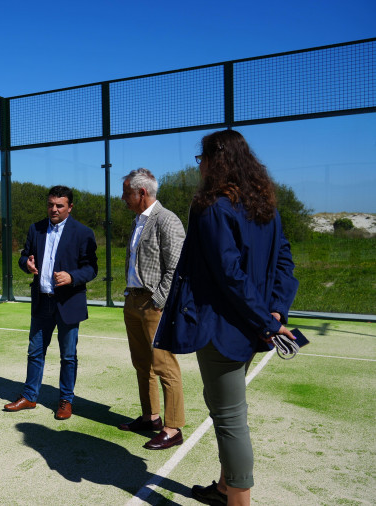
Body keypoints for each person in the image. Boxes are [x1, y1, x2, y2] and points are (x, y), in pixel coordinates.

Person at [154, 130, 298, 506]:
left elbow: (229, 275)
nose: (199, 168)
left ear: (214, 162)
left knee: (230, 419)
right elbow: (284, 262)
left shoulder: (213, 207)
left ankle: (238, 500)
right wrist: (275, 311)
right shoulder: (265, 206)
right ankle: (223, 488)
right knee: (227, 409)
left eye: (201, 160)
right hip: (251, 327)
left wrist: (268, 321)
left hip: (224, 329)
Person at [4, 185, 98, 420]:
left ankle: (66, 401)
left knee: (68, 356)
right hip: (42, 302)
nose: (53, 209)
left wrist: (72, 277)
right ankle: (29, 396)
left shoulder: (83, 233)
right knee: (35, 352)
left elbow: (91, 268)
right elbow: (24, 255)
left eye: (59, 205)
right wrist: (26, 263)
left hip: (68, 303)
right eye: (50, 204)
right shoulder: (35, 229)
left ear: (70, 207)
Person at [117, 168, 186, 450]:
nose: (123, 198)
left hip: (153, 305)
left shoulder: (166, 220)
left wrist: (158, 300)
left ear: (141, 192)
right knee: (142, 363)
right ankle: (151, 417)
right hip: (133, 300)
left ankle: (173, 428)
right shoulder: (138, 220)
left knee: (164, 365)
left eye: (126, 192)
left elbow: (176, 267)